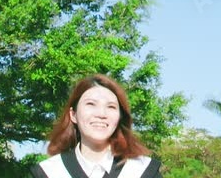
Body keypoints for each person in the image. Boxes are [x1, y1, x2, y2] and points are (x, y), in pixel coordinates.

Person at [30, 74, 163, 178]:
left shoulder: (142, 171)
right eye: (91, 104)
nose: (101, 114)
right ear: (73, 114)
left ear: (120, 117)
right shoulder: (50, 172)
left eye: (111, 106)